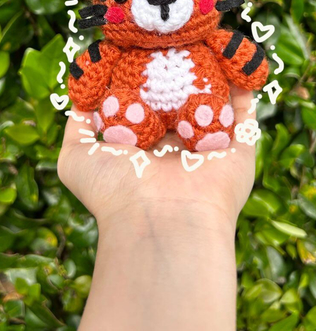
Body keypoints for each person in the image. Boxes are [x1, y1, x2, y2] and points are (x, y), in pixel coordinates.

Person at [58, 85, 256, 331]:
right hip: (139, 98)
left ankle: (201, 121)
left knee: (204, 111)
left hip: (195, 97)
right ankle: (131, 119)